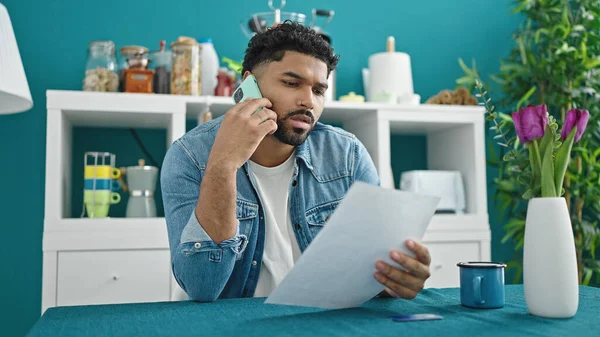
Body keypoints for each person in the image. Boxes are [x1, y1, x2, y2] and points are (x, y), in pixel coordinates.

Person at [160, 21, 431, 302]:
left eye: (318, 90)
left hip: (317, 319)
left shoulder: (347, 155)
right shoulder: (188, 156)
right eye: (291, 83)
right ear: (249, 84)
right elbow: (202, 286)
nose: (308, 101)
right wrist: (224, 164)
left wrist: (396, 278)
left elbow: (374, 269)